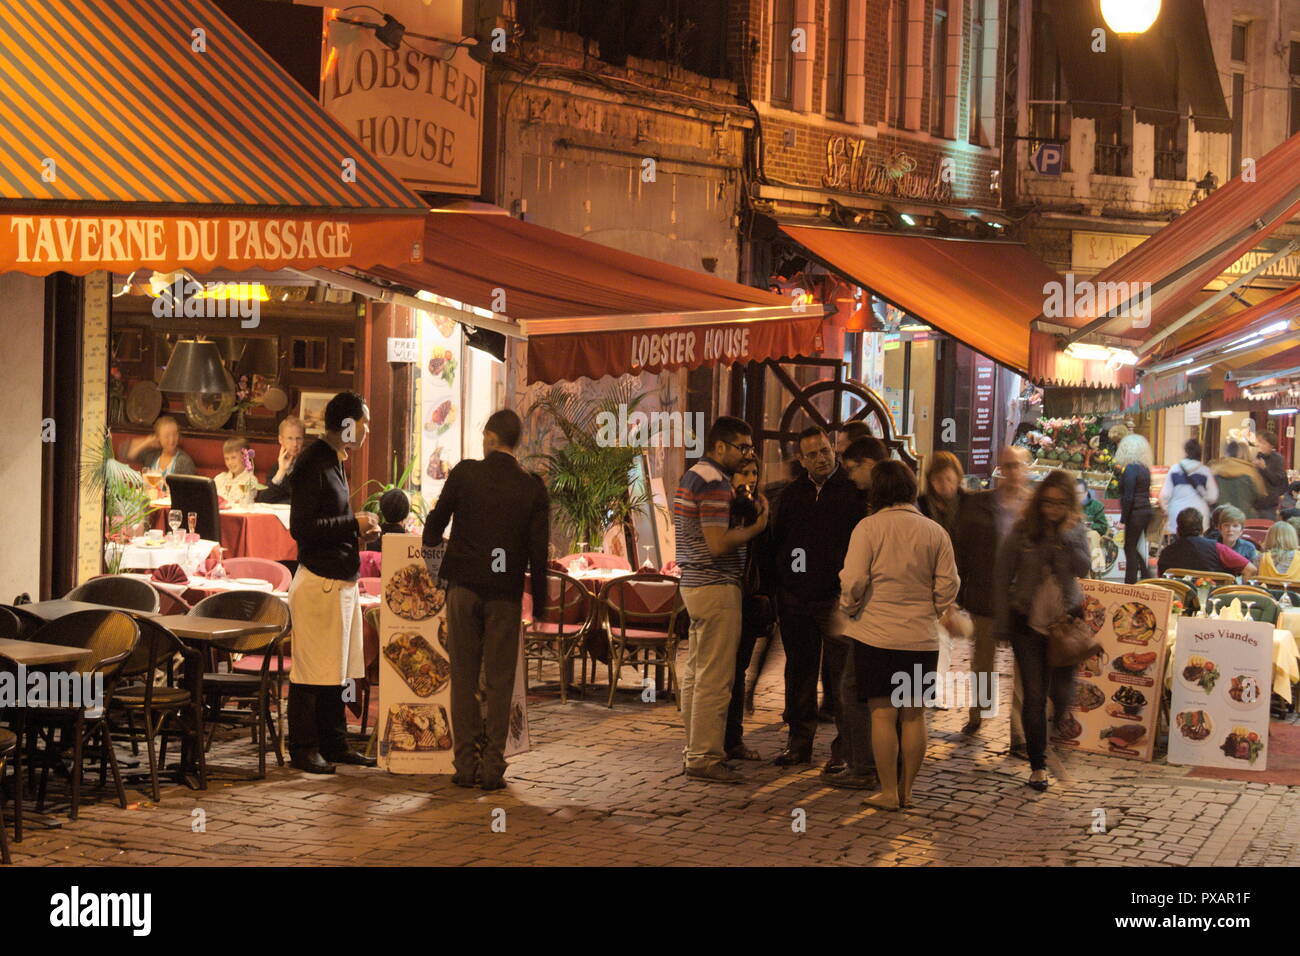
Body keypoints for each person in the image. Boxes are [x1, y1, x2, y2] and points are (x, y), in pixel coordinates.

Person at [422, 409, 550, 790]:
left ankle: (464, 765)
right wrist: (540, 604)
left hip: (462, 587)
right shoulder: (532, 486)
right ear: (516, 442)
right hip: (505, 595)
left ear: (491, 438)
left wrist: (436, 550)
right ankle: (493, 766)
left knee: (462, 677)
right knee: (498, 680)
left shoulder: (465, 473)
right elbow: (538, 554)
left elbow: (434, 526)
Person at [839, 460, 959, 810]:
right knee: (913, 714)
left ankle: (889, 792)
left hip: (876, 635)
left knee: (882, 713)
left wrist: (849, 606)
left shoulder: (868, 528)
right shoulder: (935, 531)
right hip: (920, 637)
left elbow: (854, 580)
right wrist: (933, 610)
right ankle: (909, 790)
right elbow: (949, 585)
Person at [768, 427, 871, 789]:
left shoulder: (851, 492)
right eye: (812, 454)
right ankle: (799, 742)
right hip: (796, 598)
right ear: (801, 459)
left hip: (836, 600)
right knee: (799, 672)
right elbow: (778, 541)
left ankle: (843, 750)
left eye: (825, 451)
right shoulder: (792, 494)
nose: (821, 458)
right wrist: (781, 585)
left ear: (833, 450)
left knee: (841, 677)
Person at [286, 391, 380, 774]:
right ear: (346, 424)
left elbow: (331, 523)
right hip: (318, 583)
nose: (368, 428)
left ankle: (335, 742)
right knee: (311, 672)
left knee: (338, 670)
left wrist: (358, 532)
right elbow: (303, 528)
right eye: (364, 421)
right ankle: (304, 748)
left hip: (341, 581)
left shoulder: (335, 461)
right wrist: (352, 524)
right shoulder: (312, 462)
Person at [672, 416, 768, 784]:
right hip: (715, 585)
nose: (747, 454)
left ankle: (695, 749)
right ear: (720, 447)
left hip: (694, 585)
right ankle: (705, 757)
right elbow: (716, 543)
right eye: (742, 447)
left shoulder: (693, 474)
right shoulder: (713, 482)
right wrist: (756, 527)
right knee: (716, 676)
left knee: (697, 673)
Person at [993, 469, 1090, 792]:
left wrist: (1063, 542)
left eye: (1060, 504)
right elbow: (1003, 573)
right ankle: (1038, 765)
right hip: (1027, 623)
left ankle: (1059, 723)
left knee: (1061, 693)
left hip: (1066, 622)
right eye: (1047, 502)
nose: (1052, 509)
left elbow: (1083, 568)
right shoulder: (1023, 531)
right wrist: (1002, 622)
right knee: (1034, 696)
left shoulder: (1075, 530)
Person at [953, 445, 1031, 751]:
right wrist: (958, 591)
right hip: (986, 596)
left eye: (1018, 466)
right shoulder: (980, 504)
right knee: (983, 662)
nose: (1012, 472)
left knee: (1023, 668)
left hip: (1023, 600)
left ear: (1027, 469)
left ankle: (1019, 734)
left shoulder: (1034, 507)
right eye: (1007, 466)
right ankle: (979, 712)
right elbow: (962, 547)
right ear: (999, 468)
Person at [725, 460, 774, 762]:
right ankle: (715, 738)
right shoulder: (724, 507)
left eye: (754, 473)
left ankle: (733, 738)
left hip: (747, 596)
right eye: (744, 473)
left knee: (738, 669)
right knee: (722, 671)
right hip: (724, 594)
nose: (750, 479)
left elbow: (765, 554)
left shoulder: (759, 507)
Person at [1156, 508, 1254, 578]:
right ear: (1202, 529)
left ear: (1177, 530)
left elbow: (1162, 581)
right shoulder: (1217, 548)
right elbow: (1250, 569)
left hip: (1177, 602)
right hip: (1211, 600)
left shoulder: (1166, 553)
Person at [1115, 433, 1154, 584]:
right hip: (1146, 511)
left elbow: (1128, 496)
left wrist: (1123, 519)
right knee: (1133, 546)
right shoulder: (1144, 469)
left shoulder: (1130, 469)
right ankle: (1146, 576)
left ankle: (1130, 582)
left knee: (1129, 548)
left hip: (1135, 512)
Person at [1159, 439, 1218, 537]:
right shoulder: (1205, 471)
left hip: (1177, 514)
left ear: (1185, 451)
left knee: (1179, 545)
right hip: (1199, 515)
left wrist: (1165, 508)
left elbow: (1164, 495)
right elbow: (1213, 497)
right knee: (1198, 545)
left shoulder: (1174, 469)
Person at [125, 414, 197, 478]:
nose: (171, 440)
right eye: (166, 436)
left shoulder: (184, 462)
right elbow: (127, 454)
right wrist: (146, 442)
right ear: (158, 438)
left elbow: (189, 490)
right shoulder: (151, 455)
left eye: (175, 434)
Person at [256, 416, 307, 504]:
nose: (295, 444)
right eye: (290, 438)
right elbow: (264, 500)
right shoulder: (277, 467)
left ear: (303, 440)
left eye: (298, 438)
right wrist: (281, 471)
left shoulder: (312, 464)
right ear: (281, 439)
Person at [1211, 441, 1265, 518]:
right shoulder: (1251, 472)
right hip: (1245, 517)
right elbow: (1260, 496)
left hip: (1220, 517)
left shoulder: (1215, 469)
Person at [917, 451, 964, 539]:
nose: (944, 485)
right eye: (938, 479)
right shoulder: (921, 505)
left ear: (958, 478)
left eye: (949, 479)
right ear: (931, 481)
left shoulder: (967, 503)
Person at [215, 437, 262, 508]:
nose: (230, 462)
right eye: (226, 458)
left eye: (233, 457)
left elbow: (243, 504)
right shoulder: (219, 478)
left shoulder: (250, 480)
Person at [1255, 431, 1289, 519]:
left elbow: (1277, 481)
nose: (1260, 446)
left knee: (1267, 528)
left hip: (1268, 503)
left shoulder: (1278, 459)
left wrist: (1264, 469)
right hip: (1253, 501)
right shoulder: (1255, 456)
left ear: (1272, 445)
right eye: (1259, 443)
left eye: (1264, 443)